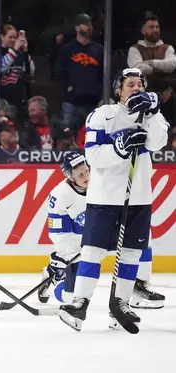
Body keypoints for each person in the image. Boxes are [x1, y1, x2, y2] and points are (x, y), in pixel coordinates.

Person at [59, 68, 168, 333]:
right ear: (118, 89)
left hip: (139, 197)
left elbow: (158, 143)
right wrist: (119, 149)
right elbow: (93, 156)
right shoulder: (102, 114)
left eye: (140, 84)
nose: (136, 88)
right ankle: (78, 304)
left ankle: (120, 304)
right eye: (130, 84)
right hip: (105, 197)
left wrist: (152, 112)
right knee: (92, 252)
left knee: (131, 254)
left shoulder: (151, 115)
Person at [38, 152, 89, 305]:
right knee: (70, 296)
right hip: (65, 235)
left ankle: (56, 270)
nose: (86, 176)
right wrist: (68, 254)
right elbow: (59, 232)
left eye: (86, 171)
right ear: (71, 177)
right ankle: (55, 273)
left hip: (84, 231)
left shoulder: (96, 184)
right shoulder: (60, 194)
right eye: (80, 175)